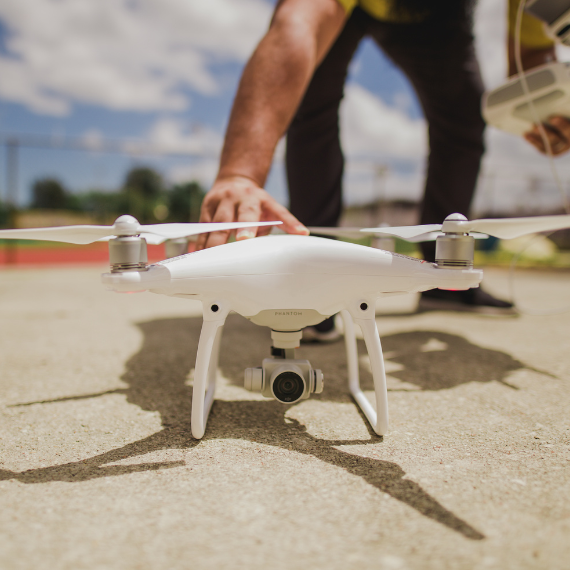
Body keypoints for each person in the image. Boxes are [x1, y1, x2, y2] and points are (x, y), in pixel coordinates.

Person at [197, 0, 570, 333]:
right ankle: (312, 280)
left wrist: (542, 110)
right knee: (310, 98)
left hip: (435, 13)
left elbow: (531, 55)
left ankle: (446, 277)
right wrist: (239, 173)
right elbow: (298, 23)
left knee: (463, 114)